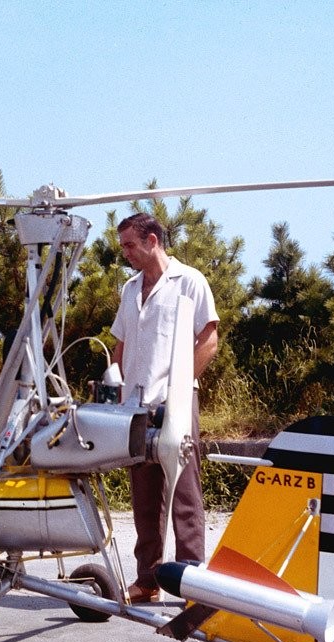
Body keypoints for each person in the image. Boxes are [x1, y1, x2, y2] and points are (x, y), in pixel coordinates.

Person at [110, 213, 219, 604]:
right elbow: (121, 346)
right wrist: (114, 394)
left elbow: (209, 340)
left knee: (184, 489)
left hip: (175, 400)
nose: (124, 253)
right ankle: (148, 580)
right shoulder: (129, 289)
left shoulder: (190, 281)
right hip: (136, 404)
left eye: (129, 245)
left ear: (152, 240)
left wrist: (178, 387)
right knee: (144, 496)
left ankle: (193, 583)